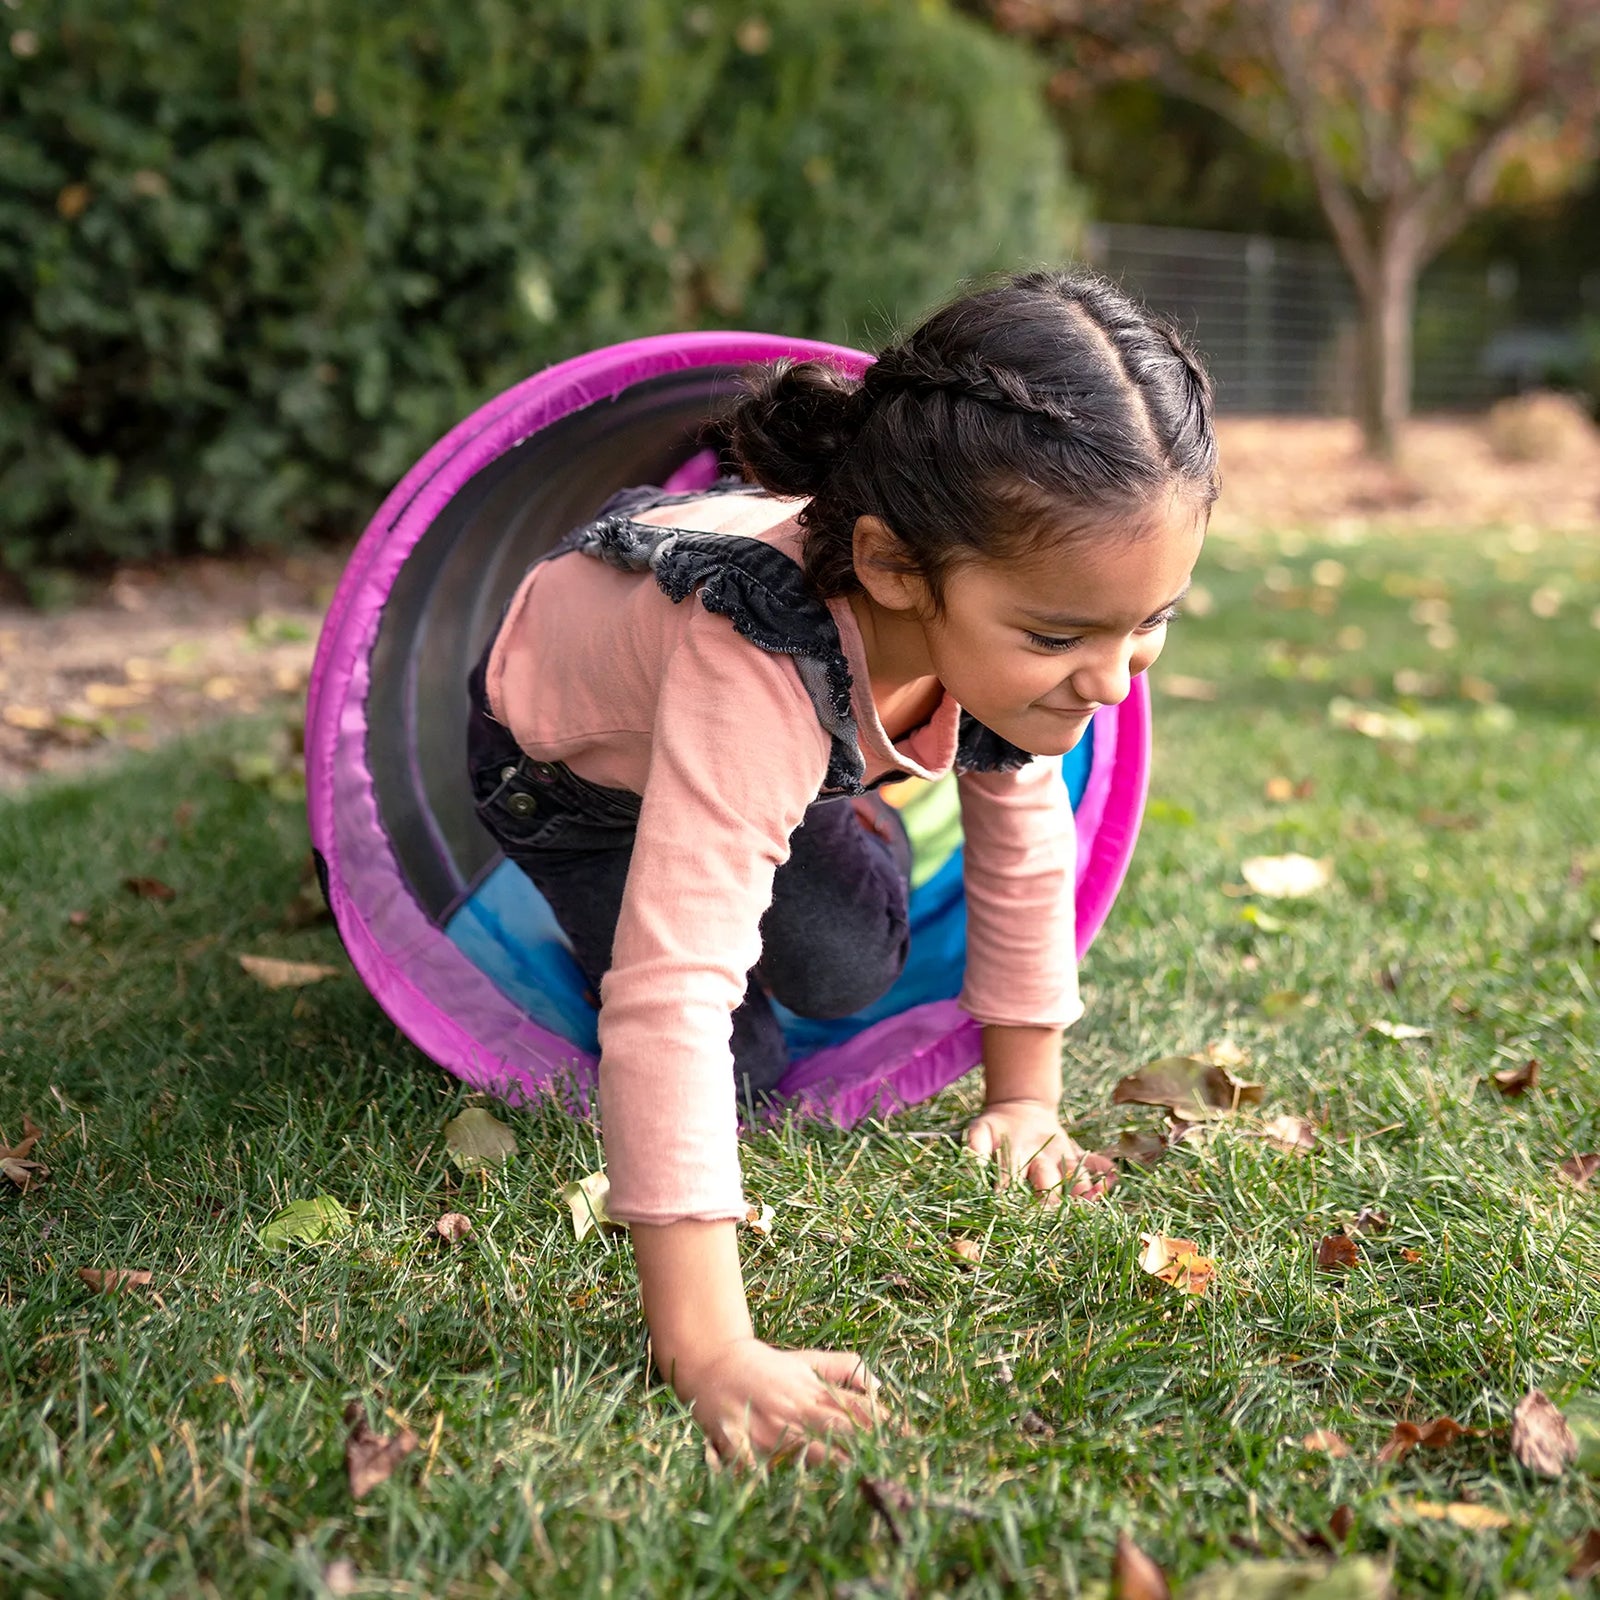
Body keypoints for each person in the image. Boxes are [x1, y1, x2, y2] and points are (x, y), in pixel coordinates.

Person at [466, 268, 1218, 1464]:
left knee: (848, 962)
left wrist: (1024, 1099)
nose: (1114, 678)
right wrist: (706, 1345)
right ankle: (786, 829)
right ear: (895, 568)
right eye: (1061, 635)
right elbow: (672, 998)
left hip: (769, 746)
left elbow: (1025, 849)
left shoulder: (1007, 639)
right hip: (572, 778)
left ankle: (831, 813)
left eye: (1151, 620)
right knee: (741, 1065)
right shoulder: (755, 660)